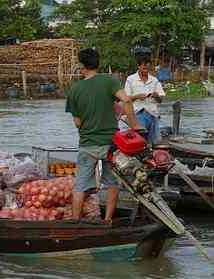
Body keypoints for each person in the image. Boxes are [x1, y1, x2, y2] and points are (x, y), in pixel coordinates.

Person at [66, 48, 140, 224]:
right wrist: (134, 126)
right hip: (111, 145)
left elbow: (77, 122)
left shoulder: (75, 89)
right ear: (97, 63)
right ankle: (107, 220)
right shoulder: (109, 81)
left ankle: (76, 222)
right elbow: (127, 100)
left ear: (81, 65)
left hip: (88, 144)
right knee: (112, 183)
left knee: (81, 185)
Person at [124, 55, 166, 145]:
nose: (146, 68)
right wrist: (137, 96)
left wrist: (156, 96)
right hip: (137, 114)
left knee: (155, 143)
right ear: (138, 66)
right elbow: (126, 99)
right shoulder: (130, 79)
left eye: (147, 66)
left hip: (153, 114)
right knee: (141, 141)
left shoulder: (154, 80)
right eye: (143, 66)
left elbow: (161, 100)